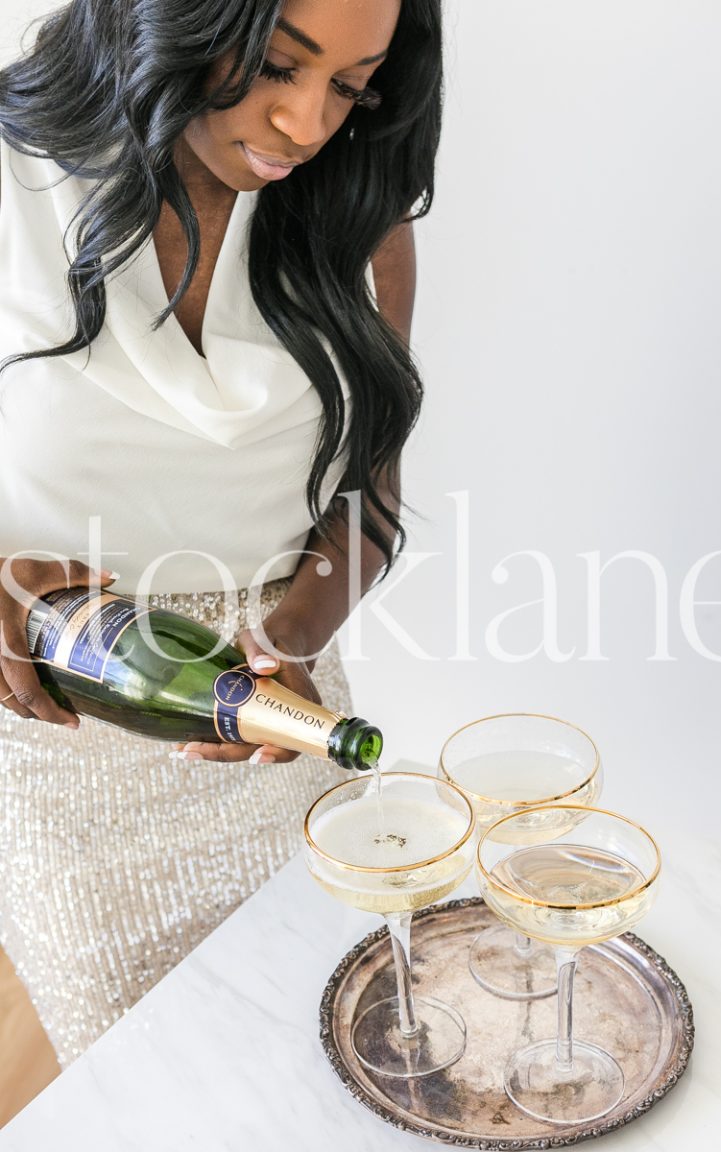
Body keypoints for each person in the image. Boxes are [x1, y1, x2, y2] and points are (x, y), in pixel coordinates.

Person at [0, 0, 442, 1066]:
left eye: (350, 85)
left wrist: (290, 635)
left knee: (343, 1044)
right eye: (278, 65)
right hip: (65, 739)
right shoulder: (15, 182)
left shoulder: (354, 210)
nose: (304, 123)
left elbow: (368, 500)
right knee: (141, 1080)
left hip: (271, 724)